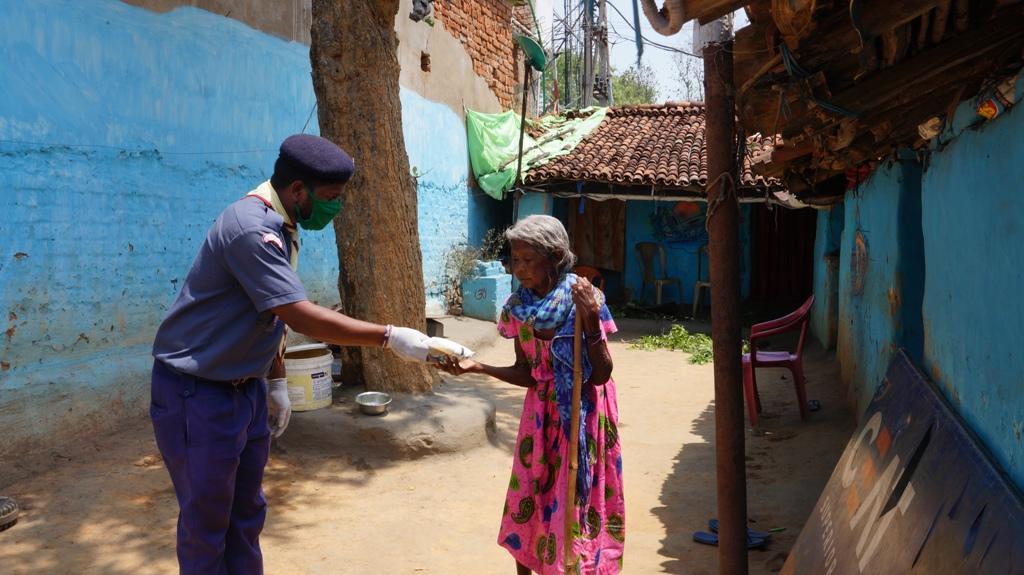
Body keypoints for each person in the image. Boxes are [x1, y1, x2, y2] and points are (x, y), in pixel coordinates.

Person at [150, 134, 433, 574]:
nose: (336, 207)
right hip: (198, 393)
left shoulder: (281, 224)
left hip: (244, 389)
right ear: (298, 190)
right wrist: (389, 337)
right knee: (206, 524)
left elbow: (269, 317)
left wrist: (276, 381)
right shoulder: (252, 229)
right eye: (331, 197)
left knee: (246, 515)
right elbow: (297, 314)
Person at [437, 215, 625, 574]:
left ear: (556, 256)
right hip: (539, 418)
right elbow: (527, 373)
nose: (519, 268)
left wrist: (590, 319)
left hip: (582, 413)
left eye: (528, 259)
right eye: (515, 259)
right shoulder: (516, 308)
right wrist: (478, 367)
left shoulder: (584, 299)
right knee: (529, 497)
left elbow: (602, 374)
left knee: (574, 503)